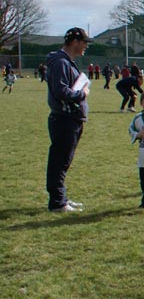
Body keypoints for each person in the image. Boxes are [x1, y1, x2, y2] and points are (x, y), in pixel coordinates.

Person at [45, 27, 93, 212]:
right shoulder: (61, 63)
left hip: (71, 118)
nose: (86, 47)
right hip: (65, 119)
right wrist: (82, 93)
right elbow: (61, 91)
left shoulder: (66, 62)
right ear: (75, 42)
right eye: (84, 43)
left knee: (64, 161)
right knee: (60, 161)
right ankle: (57, 202)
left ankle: (61, 198)